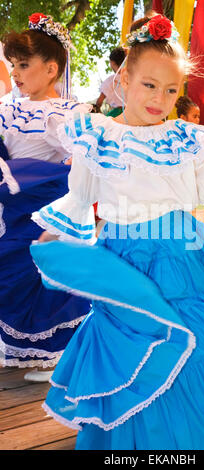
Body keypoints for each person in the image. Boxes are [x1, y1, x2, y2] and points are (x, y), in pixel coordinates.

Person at [30, 14, 204, 450]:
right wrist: (57, 239)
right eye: (149, 85)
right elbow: (80, 200)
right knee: (138, 348)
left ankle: (182, 444)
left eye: (171, 90)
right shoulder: (97, 134)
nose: (160, 99)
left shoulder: (186, 139)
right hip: (127, 263)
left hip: (185, 255)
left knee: (191, 342)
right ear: (125, 78)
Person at [0, 12, 91, 382]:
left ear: (51, 69)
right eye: (12, 65)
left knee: (34, 276)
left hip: (40, 213)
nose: (16, 73)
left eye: (23, 65)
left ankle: (50, 351)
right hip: (7, 205)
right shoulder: (8, 106)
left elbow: (78, 161)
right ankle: (14, 346)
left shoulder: (67, 112)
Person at [95, 47, 126, 117]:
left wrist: (100, 115)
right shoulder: (133, 77)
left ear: (112, 62)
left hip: (116, 114)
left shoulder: (110, 81)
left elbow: (98, 103)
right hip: (133, 114)